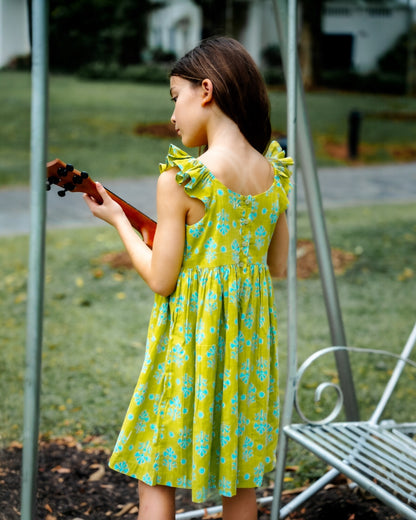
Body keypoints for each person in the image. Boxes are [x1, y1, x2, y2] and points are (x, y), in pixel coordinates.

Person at [83, 36, 293, 520]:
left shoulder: (182, 179)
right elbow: (277, 266)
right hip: (246, 353)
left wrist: (119, 220)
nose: (173, 116)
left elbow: (162, 279)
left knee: (158, 465)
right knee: (238, 474)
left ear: (206, 90)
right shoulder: (274, 175)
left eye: (175, 97)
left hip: (190, 345)